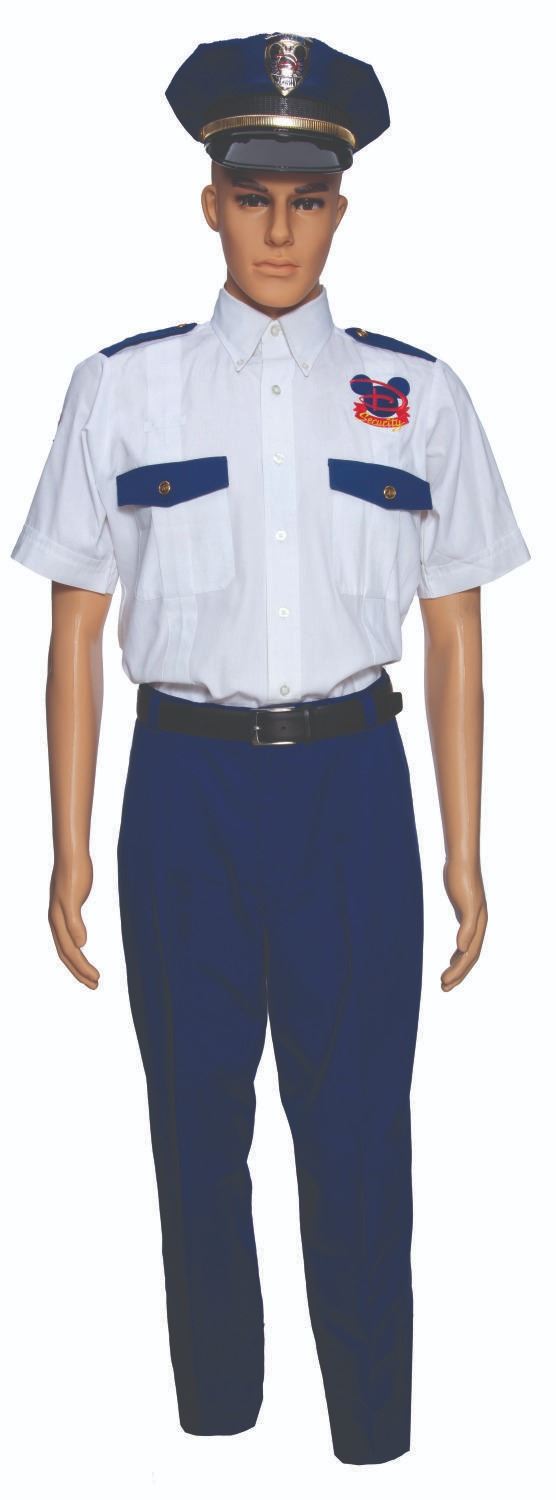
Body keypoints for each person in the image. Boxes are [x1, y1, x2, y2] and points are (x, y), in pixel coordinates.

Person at [9, 30, 531, 1466]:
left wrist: (466, 849)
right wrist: (66, 844)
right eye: (253, 197)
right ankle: (217, 1425)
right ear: (210, 203)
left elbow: (457, 638)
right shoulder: (122, 391)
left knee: (357, 1131)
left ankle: (371, 1436)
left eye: (307, 199)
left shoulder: (419, 397)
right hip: (182, 792)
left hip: (352, 793)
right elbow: (72, 631)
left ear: (343, 209)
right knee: (195, 1126)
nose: (280, 229)